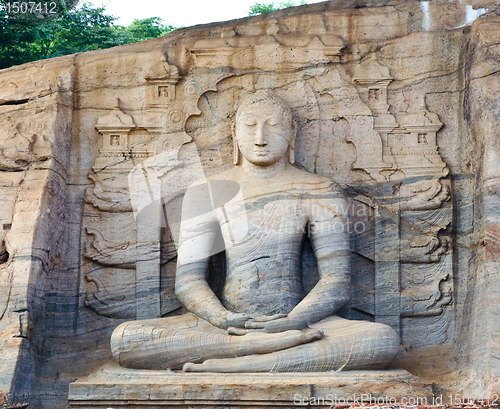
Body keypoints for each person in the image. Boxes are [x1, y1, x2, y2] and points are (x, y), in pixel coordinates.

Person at [110, 90, 399, 372]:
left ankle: (249, 359)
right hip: (226, 327)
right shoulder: (205, 191)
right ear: (234, 133)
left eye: (273, 126)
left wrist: (292, 321)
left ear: (292, 133)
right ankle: (253, 349)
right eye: (249, 126)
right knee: (124, 340)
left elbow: (336, 281)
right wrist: (223, 318)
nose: (260, 138)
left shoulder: (319, 190)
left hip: (300, 322)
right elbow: (188, 282)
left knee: (381, 340)